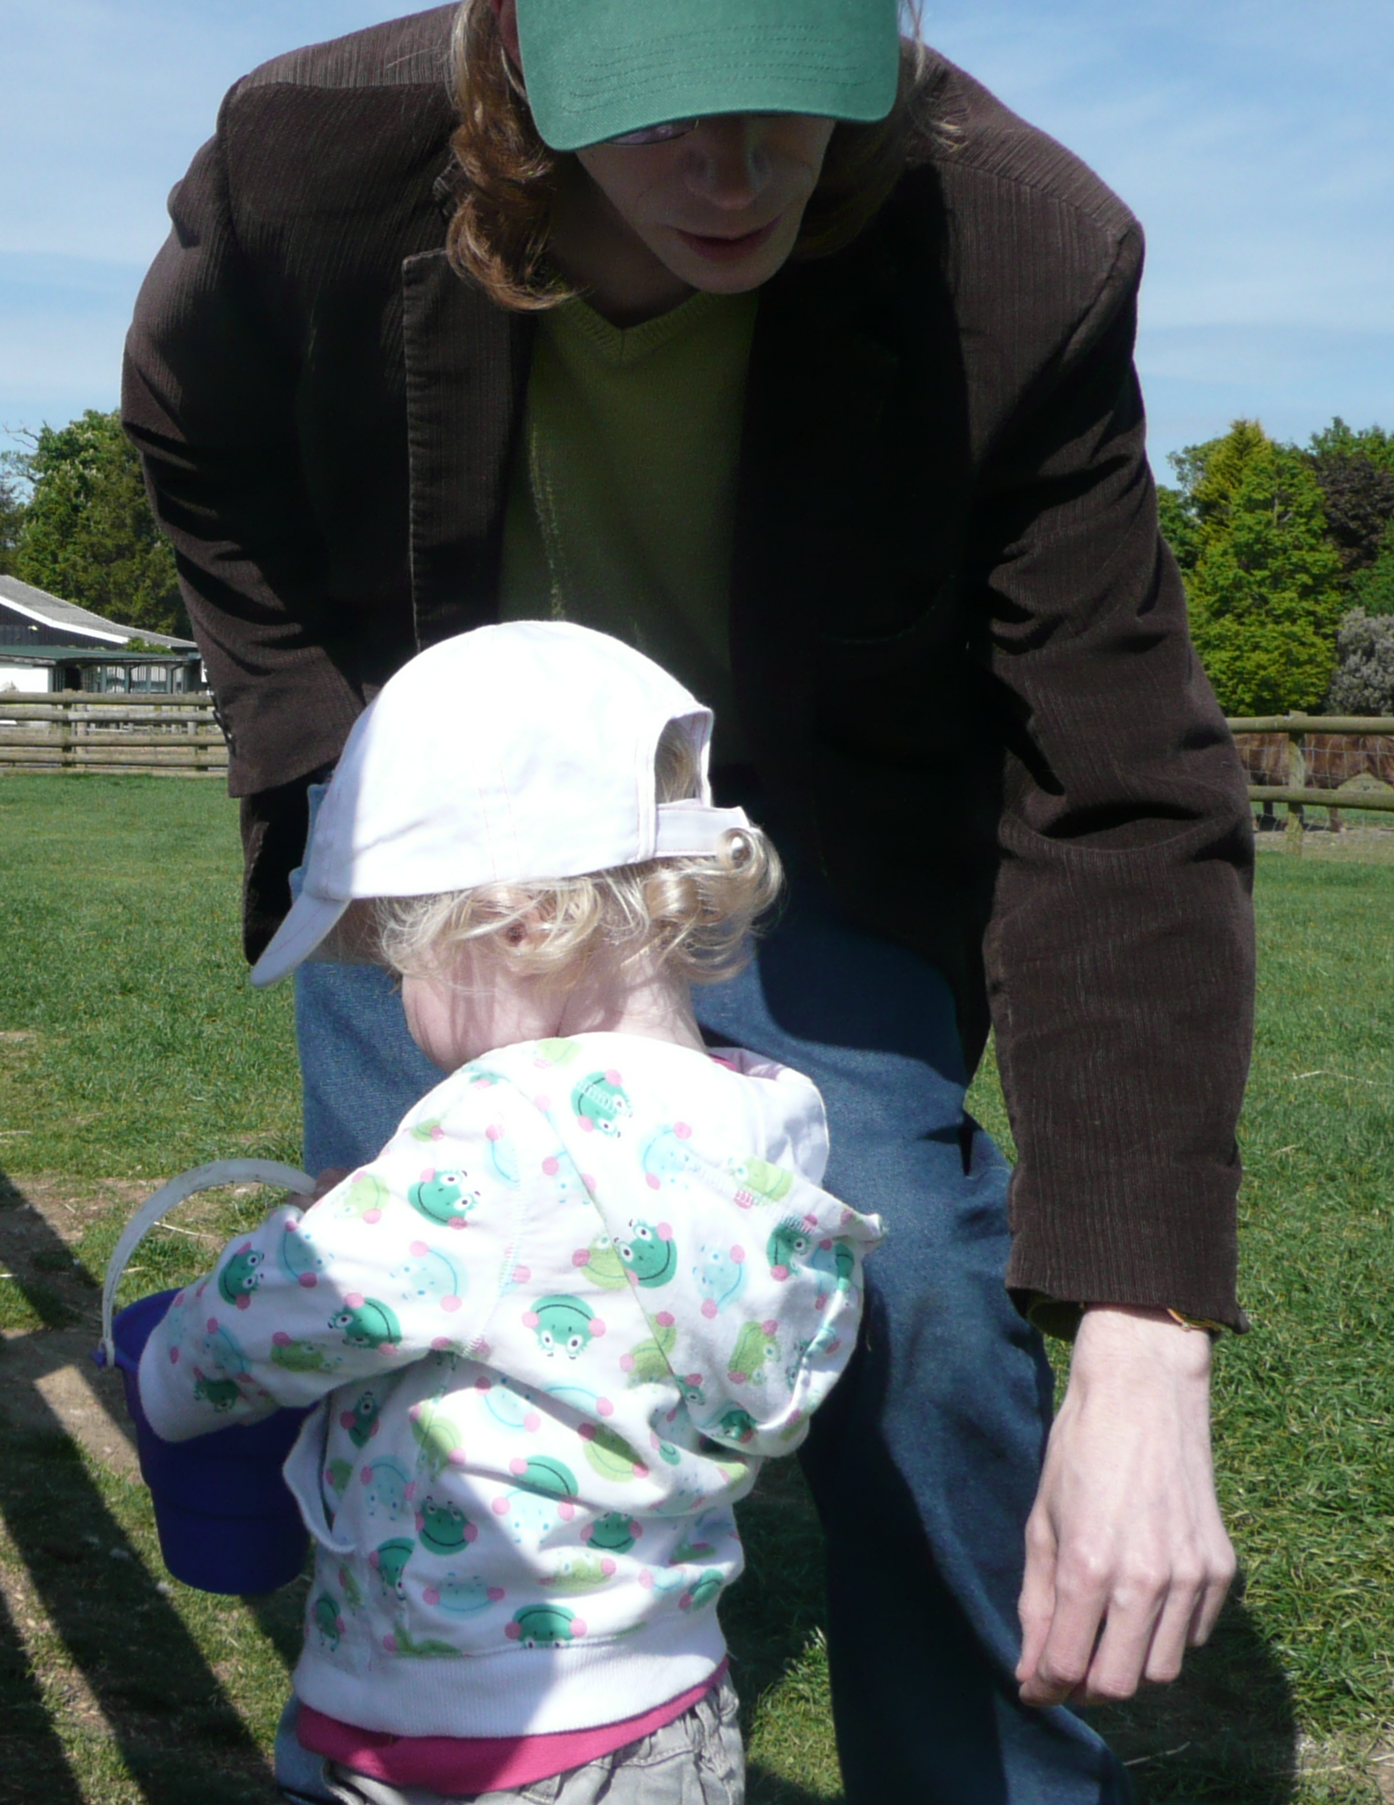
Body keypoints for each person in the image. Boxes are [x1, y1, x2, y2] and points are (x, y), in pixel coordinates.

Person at [121, 0, 1252, 1799]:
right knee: (419, 1318)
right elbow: (191, 429)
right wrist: (357, 793)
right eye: (658, 104)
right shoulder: (303, 167)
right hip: (458, 856)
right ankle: (455, 1711)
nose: (733, 170)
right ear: (512, 34)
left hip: (786, 854)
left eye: (789, 90)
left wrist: (1147, 1337)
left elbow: (1122, 786)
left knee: (919, 1292)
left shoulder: (1024, 254)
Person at [138, 621, 879, 1805]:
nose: (398, 1001)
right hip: (663, 1726)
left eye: (403, 960)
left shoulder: (504, 1125)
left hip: (452, 1726)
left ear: (521, 922)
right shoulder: (761, 1123)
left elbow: (291, 1306)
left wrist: (168, 1369)